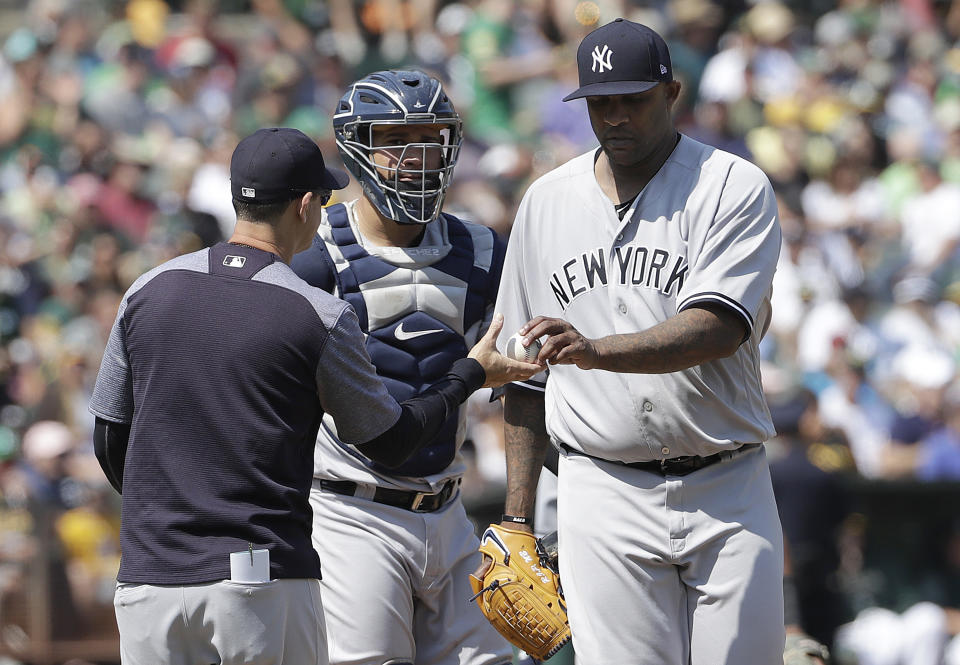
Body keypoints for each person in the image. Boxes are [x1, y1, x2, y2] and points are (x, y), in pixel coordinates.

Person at [88, 127, 539, 665]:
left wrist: (173, 519)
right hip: (259, 575)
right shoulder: (314, 312)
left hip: (149, 579)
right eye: (323, 199)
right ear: (305, 206)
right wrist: (469, 374)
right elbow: (391, 443)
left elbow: (111, 437)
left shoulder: (148, 288)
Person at [492, 19, 785, 664]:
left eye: (634, 99)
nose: (616, 117)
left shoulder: (731, 185)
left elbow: (717, 327)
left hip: (725, 481)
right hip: (601, 486)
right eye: (601, 102)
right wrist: (516, 517)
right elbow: (525, 375)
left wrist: (597, 351)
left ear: (672, 92)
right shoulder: (545, 203)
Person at [289, 69, 515, 665]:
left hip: (450, 507)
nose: (414, 157)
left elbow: (530, 377)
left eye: (428, 139)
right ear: (356, 146)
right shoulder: (318, 256)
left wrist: (519, 517)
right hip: (349, 510)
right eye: (395, 139)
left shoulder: (483, 250)